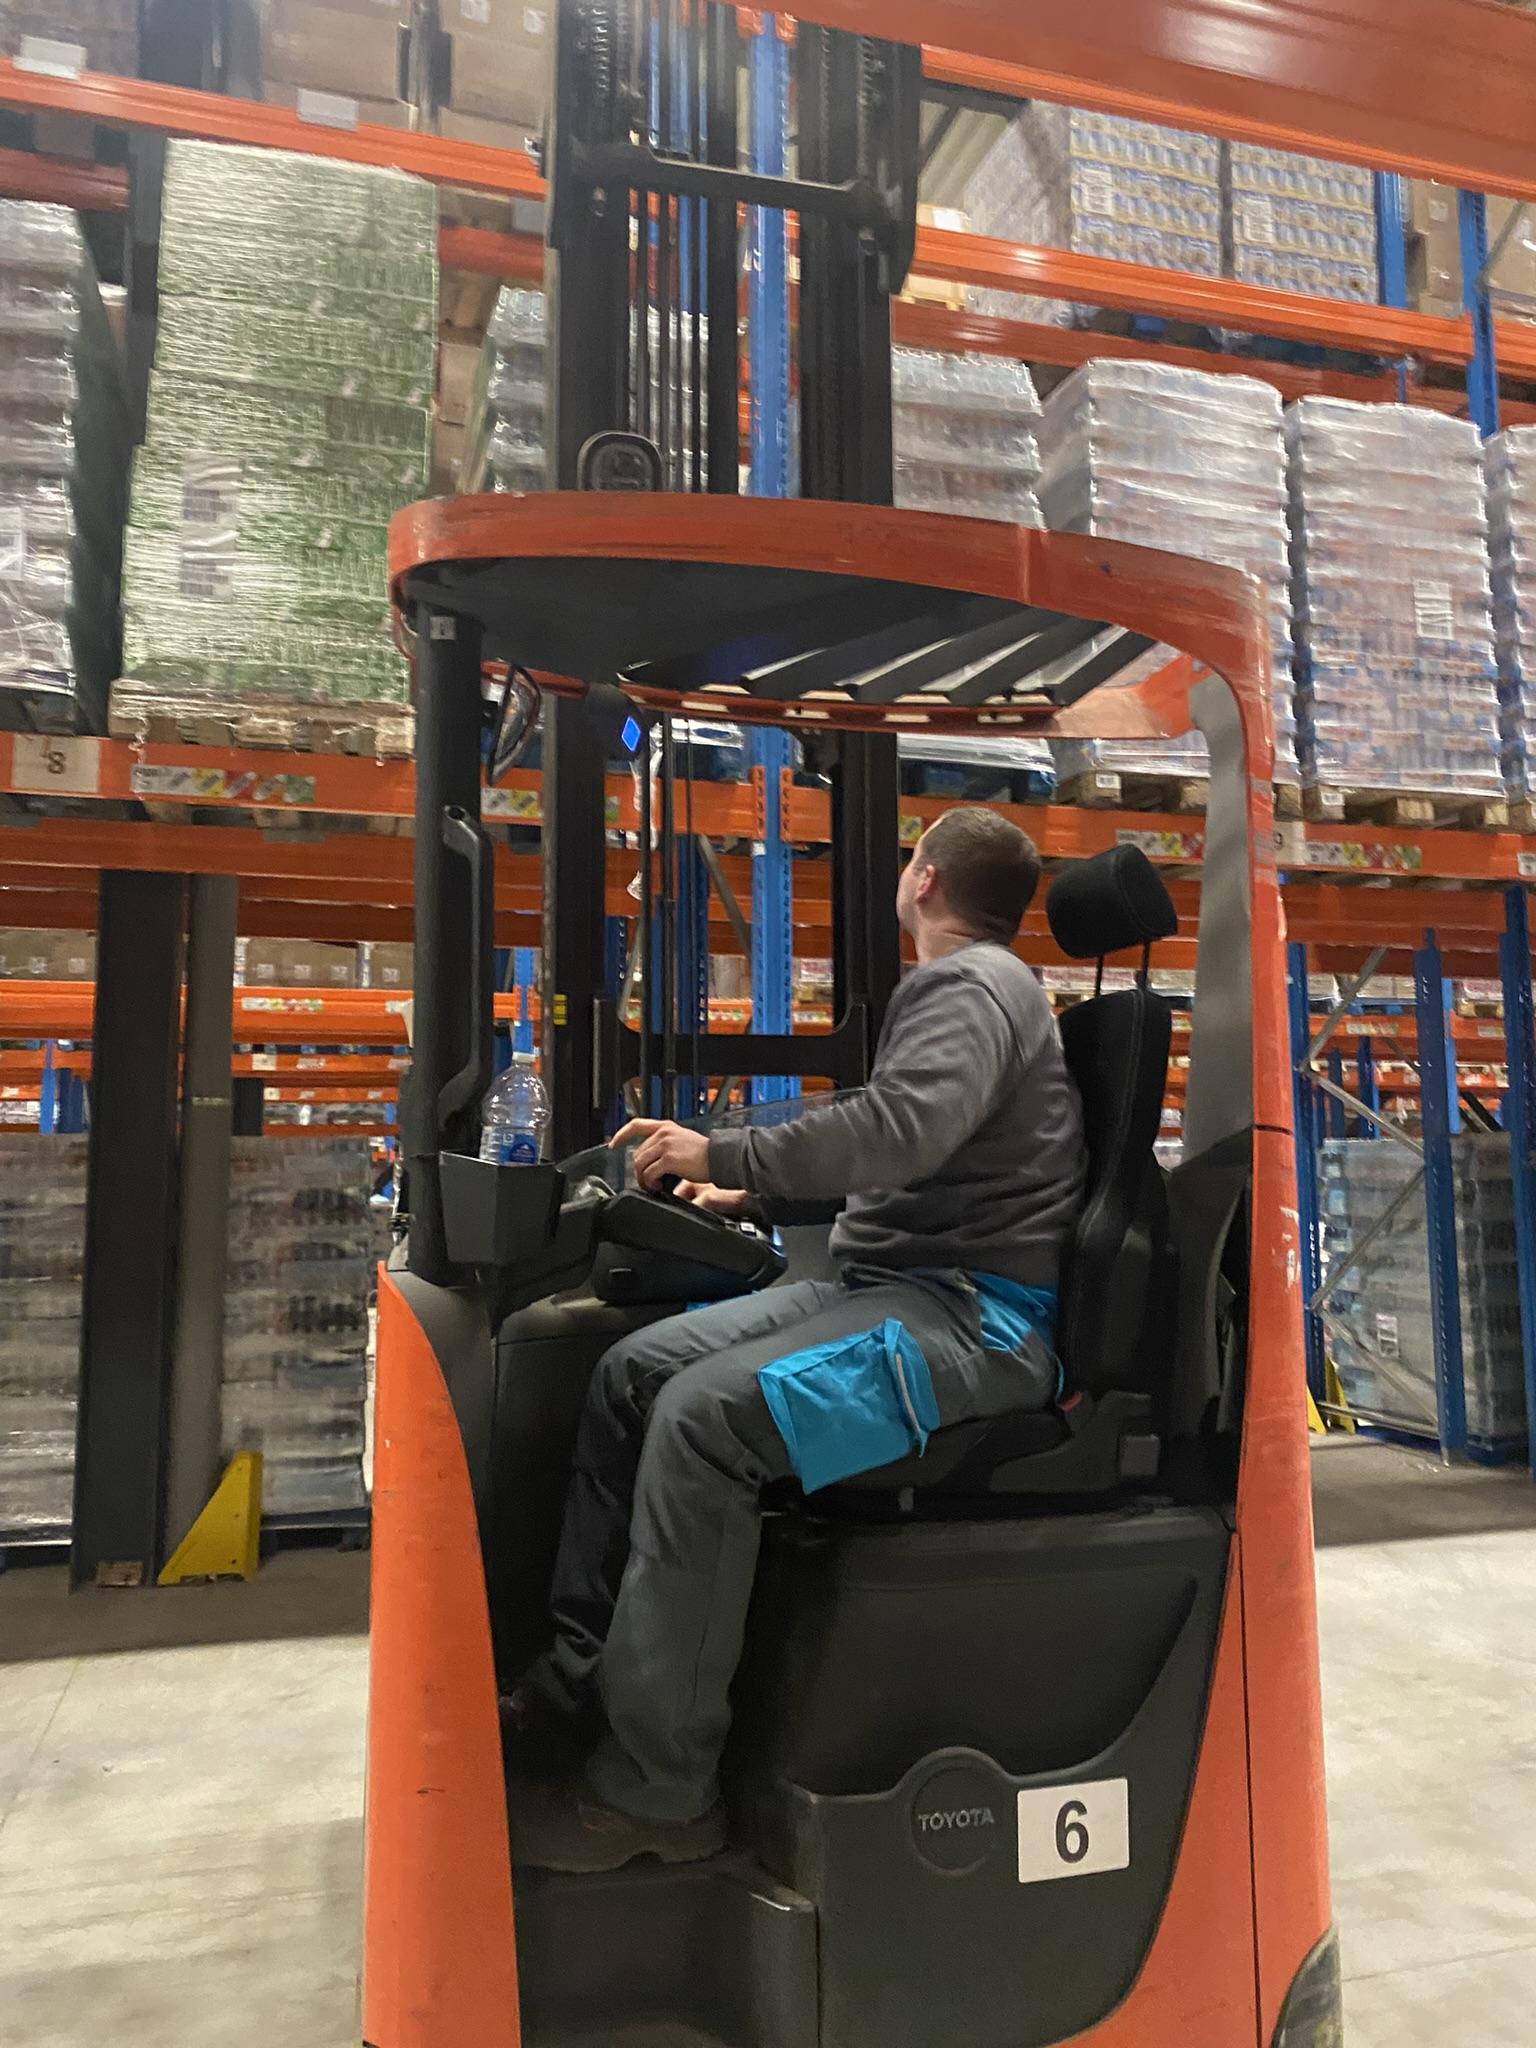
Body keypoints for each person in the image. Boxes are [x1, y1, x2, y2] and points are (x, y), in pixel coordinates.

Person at [506, 805, 1087, 1872]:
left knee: (704, 1421)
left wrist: (724, 1149)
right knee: (633, 1373)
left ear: (923, 879)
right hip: (889, 1283)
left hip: (975, 1314)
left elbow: (901, 1128)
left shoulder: (972, 986)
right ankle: (581, 1687)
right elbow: (910, 1151)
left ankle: (660, 1790)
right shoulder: (983, 990)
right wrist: (747, 1192)